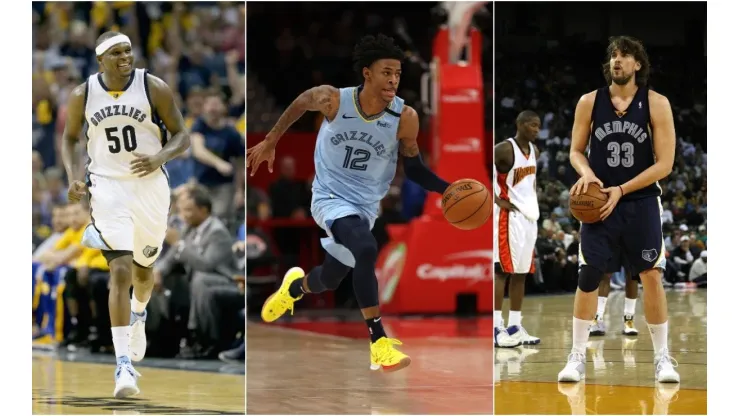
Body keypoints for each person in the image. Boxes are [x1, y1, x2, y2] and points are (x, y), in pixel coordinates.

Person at [246, 34, 453, 372]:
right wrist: (271, 139)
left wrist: (447, 189)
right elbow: (301, 102)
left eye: (398, 74)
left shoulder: (406, 117)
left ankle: (295, 288)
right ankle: (379, 342)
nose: (393, 80)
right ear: (367, 73)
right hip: (329, 196)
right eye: (386, 72)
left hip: (366, 206)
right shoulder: (334, 101)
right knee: (366, 248)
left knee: (330, 276)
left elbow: (413, 168)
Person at [61, 31, 190, 398]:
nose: (125, 57)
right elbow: (70, 138)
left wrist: (160, 157)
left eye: (128, 51)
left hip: (150, 187)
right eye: (116, 53)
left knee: (144, 273)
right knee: (119, 269)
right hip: (107, 187)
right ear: (100, 59)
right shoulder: (82, 94)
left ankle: (139, 314)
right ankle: (123, 366)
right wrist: (73, 175)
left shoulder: (154, 87)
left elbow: (182, 135)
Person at [557, 36, 679, 383]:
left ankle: (662, 358)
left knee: (651, 276)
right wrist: (590, 176)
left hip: (640, 202)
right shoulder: (589, 102)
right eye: (613, 55)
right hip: (599, 206)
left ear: (638, 64)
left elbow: (666, 163)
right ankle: (577, 355)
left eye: (625, 56)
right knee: (589, 275)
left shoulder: (656, 103)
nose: (618, 60)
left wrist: (621, 189)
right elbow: (576, 152)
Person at [493, 110, 542, 348]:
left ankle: (514, 326)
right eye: (532, 125)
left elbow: (530, 184)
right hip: (508, 216)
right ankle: (495, 327)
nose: (536, 130)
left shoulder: (535, 151)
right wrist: (495, 199)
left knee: (521, 273)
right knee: (502, 271)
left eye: (538, 126)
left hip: (529, 217)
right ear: (520, 124)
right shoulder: (503, 149)